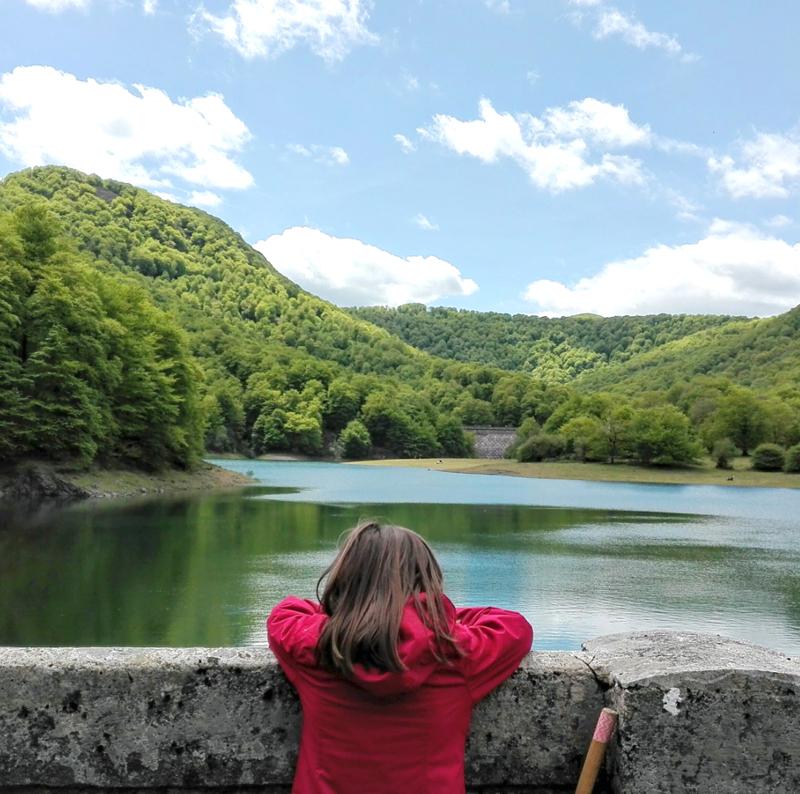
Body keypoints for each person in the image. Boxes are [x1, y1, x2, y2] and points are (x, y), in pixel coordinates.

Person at [267, 520, 533, 793]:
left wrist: (353, 615)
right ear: (426, 581)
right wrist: (434, 620)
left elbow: (285, 612)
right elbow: (514, 627)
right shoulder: (455, 652)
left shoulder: (317, 646)